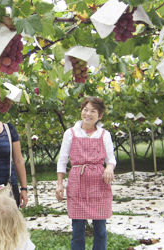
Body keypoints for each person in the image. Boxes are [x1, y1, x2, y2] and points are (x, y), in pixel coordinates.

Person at [55, 97, 116, 250]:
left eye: (93, 111)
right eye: (85, 109)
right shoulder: (70, 133)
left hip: (99, 184)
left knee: (101, 231)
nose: (88, 114)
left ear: (100, 115)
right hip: (77, 183)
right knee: (77, 231)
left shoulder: (104, 134)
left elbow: (111, 158)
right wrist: (60, 184)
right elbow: (62, 160)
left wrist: (109, 168)